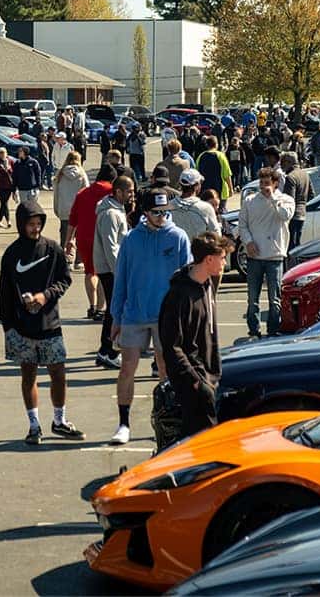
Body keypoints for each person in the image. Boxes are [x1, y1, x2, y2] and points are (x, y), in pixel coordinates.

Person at [108, 186, 191, 445]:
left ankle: (168, 423)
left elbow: (186, 278)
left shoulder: (178, 237)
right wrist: (116, 317)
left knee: (166, 369)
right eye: (156, 212)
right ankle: (123, 424)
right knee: (127, 368)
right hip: (134, 314)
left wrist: (184, 315)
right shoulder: (131, 240)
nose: (161, 217)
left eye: (165, 212)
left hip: (167, 316)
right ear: (145, 212)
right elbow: (120, 279)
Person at [0, 200, 84, 444]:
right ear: (21, 225)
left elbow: (65, 280)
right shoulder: (12, 253)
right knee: (29, 374)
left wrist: (45, 295)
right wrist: (8, 326)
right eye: (30, 224)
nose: (35, 229)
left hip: (50, 324)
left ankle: (59, 421)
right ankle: (34, 425)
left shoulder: (52, 249)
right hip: (22, 327)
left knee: (58, 372)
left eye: (38, 224)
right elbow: (4, 292)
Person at [158, 232, 231, 438]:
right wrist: (196, 382)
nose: (225, 262)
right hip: (193, 383)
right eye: (222, 257)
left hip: (208, 376)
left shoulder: (207, 285)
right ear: (209, 259)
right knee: (200, 441)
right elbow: (172, 346)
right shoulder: (179, 296)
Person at [237, 167, 296, 338]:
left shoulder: (285, 200)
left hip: (275, 255)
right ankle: (254, 330)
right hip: (254, 256)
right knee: (252, 298)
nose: (264, 187)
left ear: (275, 183)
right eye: (261, 183)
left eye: (267, 183)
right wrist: (248, 242)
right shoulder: (250, 201)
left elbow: (285, 216)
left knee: (274, 298)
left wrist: (273, 200)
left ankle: (273, 330)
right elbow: (242, 225)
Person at [92, 173, 135, 370]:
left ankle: (105, 350)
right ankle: (109, 351)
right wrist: (120, 273)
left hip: (111, 268)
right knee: (115, 310)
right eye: (129, 191)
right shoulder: (110, 213)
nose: (132, 195)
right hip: (110, 270)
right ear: (118, 192)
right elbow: (111, 247)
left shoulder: (116, 210)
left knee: (113, 309)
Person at [65, 165, 117, 320]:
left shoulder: (83, 193)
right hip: (104, 236)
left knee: (90, 271)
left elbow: (72, 218)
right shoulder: (112, 192)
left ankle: (92, 306)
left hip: (84, 237)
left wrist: (68, 240)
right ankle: (101, 308)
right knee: (104, 272)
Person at [167, 168, 221, 242]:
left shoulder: (169, 206)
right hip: (198, 252)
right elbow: (216, 235)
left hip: (174, 251)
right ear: (197, 186)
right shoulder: (205, 208)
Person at [53, 150, 88, 250]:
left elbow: (56, 194)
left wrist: (56, 209)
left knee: (64, 235)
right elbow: (86, 192)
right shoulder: (82, 174)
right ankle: (78, 261)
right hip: (78, 210)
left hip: (63, 209)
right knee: (79, 236)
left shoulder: (60, 174)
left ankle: (63, 258)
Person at [279, 151, 314, 250]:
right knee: (297, 244)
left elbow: (289, 199)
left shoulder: (291, 177)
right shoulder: (305, 174)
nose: (281, 166)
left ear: (289, 162)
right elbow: (312, 194)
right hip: (302, 214)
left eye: (283, 162)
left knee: (290, 246)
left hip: (292, 215)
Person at [194, 135, 232, 201]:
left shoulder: (200, 156)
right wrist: (230, 189)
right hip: (221, 191)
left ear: (207, 145)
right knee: (221, 210)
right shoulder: (221, 156)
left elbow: (197, 175)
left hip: (204, 192)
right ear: (216, 144)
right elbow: (227, 175)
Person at [0, 147, 15, 227]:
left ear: (6, 153)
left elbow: (14, 173)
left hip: (9, 186)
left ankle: (0, 221)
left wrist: (8, 168)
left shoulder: (10, 161)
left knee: (4, 203)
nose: (2, 154)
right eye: (0, 153)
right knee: (4, 203)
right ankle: (8, 221)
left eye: (3, 152)